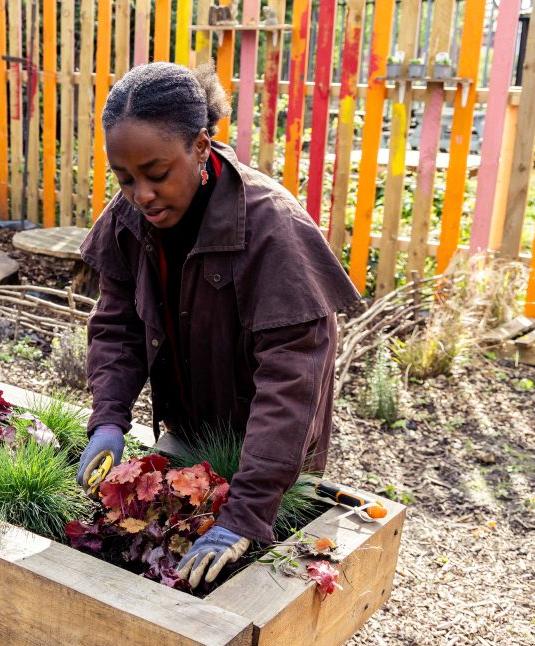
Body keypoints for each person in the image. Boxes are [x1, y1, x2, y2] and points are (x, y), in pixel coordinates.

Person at [75, 62, 360, 588]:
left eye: (157, 174)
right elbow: (115, 324)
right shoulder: (129, 217)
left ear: (202, 146)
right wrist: (109, 417)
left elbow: (292, 381)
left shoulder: (273, 227)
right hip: (188, 429)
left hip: (266, 450)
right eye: (124, 177)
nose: (141, 194)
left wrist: (246, 514)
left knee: (248, 588)